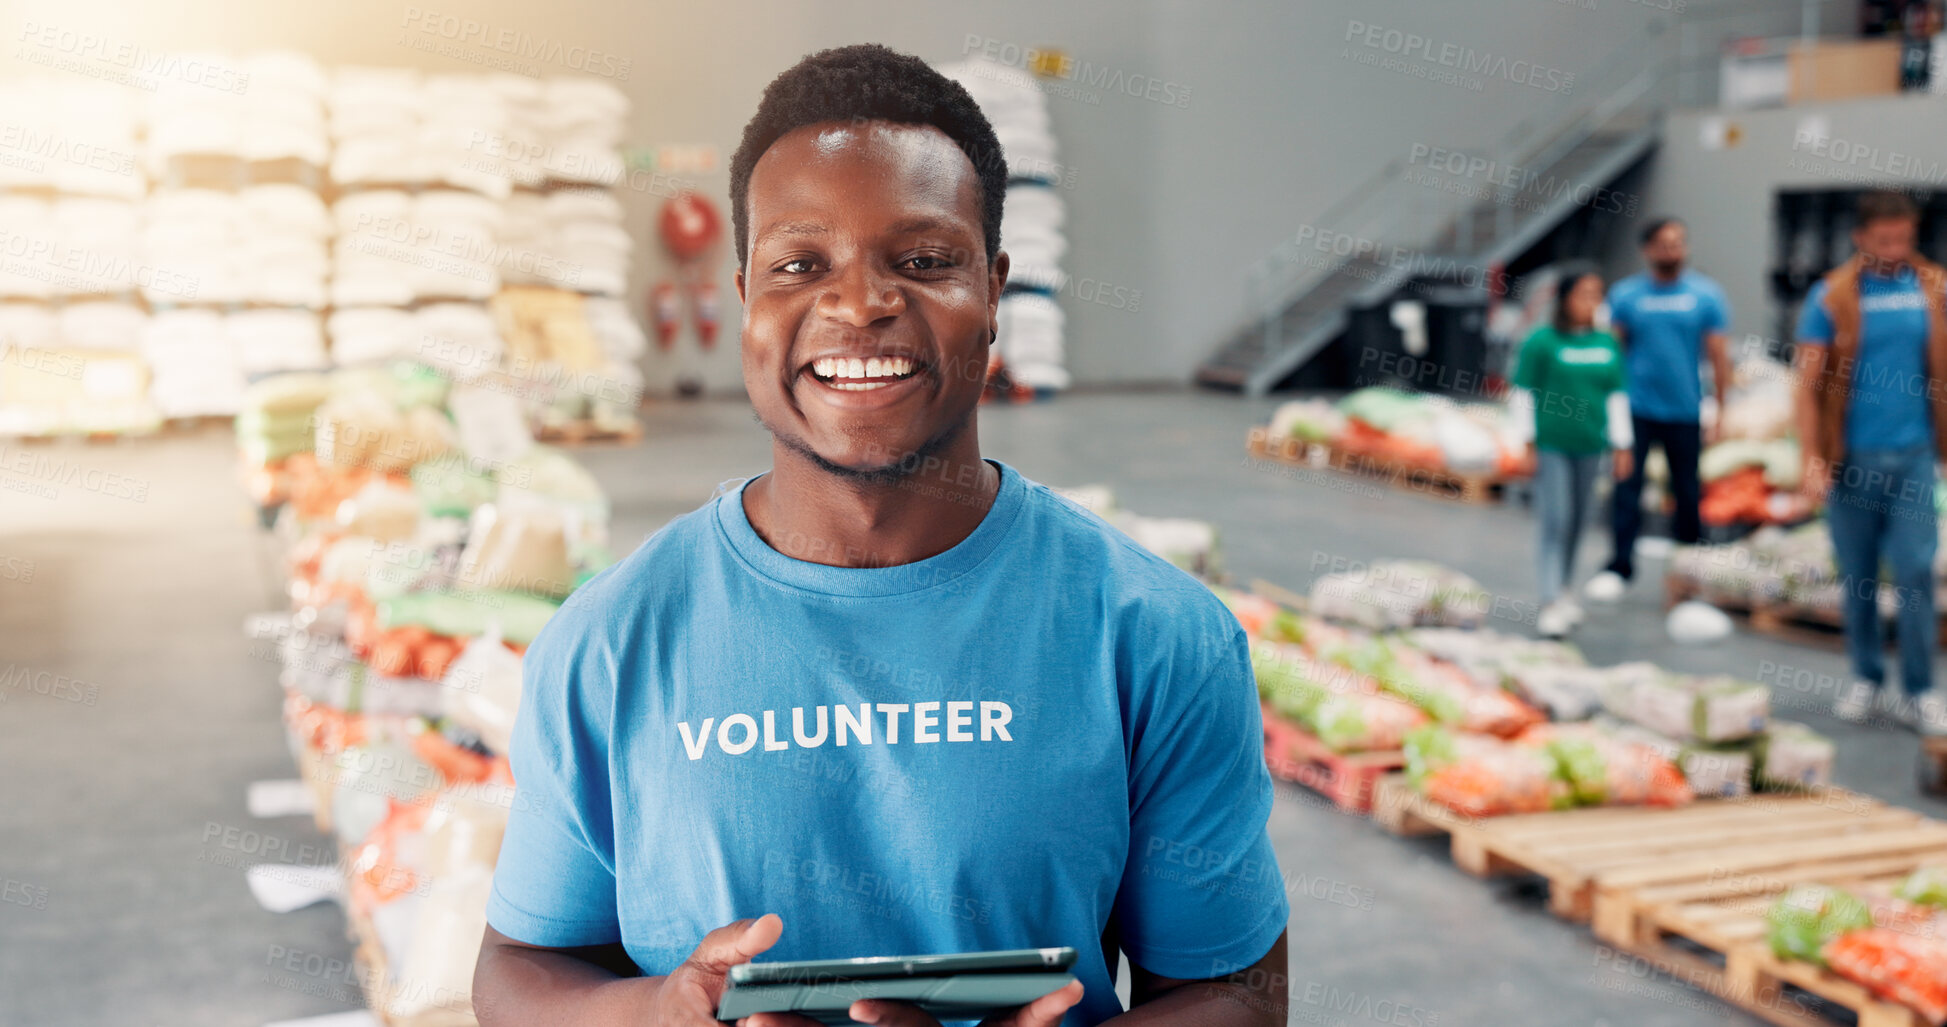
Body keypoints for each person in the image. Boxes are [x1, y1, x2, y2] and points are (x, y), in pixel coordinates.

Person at [472, 44, 1290, 1027]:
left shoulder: (1157, 636)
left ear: (994, 291)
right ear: (745, 302)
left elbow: (1236, 989)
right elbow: (520, 968)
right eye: (799, 263)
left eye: (925, 261)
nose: (860, 303)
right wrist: (659, 1013)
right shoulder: (607, 641)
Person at [1794, 190, 1947, 730]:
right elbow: (1807, 383)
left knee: (1915, 573)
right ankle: (1866, 678)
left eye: (1904, 238)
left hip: (1914, 457)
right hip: (1852, 458)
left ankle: (1920, 689)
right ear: (1860, 238)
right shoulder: (1831, 296)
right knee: (1858, 575)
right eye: (1884, 239)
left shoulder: (1933, 288)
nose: (1895, 248)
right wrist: (1811, 458)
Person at [1583, 217, 1732, 602]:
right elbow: (1611, 352)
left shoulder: (1705, 295)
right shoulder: (1627, 296)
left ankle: (1687, 575)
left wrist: (1721, 408)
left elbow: (1718, 353)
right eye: (1664, 244)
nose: (1673, 250)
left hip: (1685, 410)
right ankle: (1620, 564)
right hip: (1637, 409)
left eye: (1679, 242)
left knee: (1686, 491)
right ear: (1647, 249)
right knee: (1626, 488)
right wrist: (1605, 404)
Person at [1509, 263, 1634, 639]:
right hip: (1552, 444)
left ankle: (1564, 590)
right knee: (1556, 520)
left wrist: (1622, 445)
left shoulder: (1606, 343)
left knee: (1580, 522)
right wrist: (1528, 443)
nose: (1591, 303)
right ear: (1565, 298)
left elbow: (1616, 396)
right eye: (1584, 294)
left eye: (1597, 295)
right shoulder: (1542, 341)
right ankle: (1548, 600)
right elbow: (1521, 394)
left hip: (1590, 445)